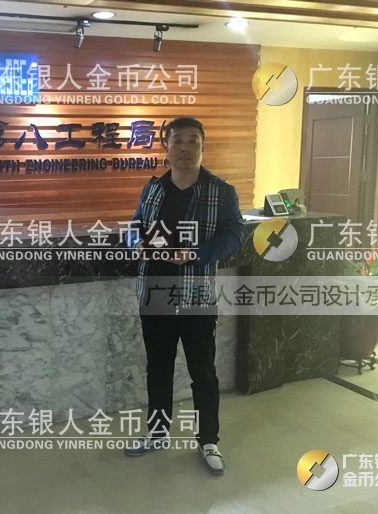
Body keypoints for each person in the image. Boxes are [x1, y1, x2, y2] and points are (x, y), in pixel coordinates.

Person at [124, 116, 244, 475]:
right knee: (157, 369)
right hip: (155, 296)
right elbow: (135, 225)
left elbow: (234, 236)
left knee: (203, 373)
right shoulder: (153, 189)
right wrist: (136, 244)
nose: (185, 148)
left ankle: (208, 441)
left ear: (203, 146)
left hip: (197, 298)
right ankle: (157, 433)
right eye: (177, 140)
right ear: (166, 146)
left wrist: (195, 253)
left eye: (193, 141)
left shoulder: (221, 192)